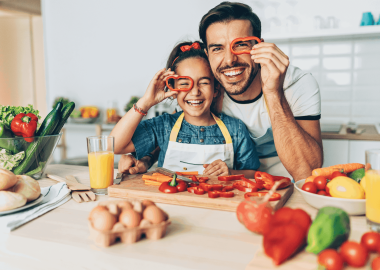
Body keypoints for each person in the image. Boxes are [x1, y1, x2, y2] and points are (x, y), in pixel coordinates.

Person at [119, 2, 323, 181]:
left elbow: (306, 172)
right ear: (207, 54)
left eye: (240, 45)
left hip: (284, 180)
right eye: (218, 48)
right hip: (232, 187)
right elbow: (175, 130)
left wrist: (273, 91)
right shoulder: (212, 87)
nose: (229, 60)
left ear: (258, 46)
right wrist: (143, 157)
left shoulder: (298, 84)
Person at [111, 41, 260, 177]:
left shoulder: (236, 129)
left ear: (216, 89)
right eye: (184, 83)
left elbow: (253, 173)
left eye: (204, 83)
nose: (195, 92)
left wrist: (231, 173)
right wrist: (145, 102)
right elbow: (114, 145)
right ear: (173, 88)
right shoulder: (163, 126)